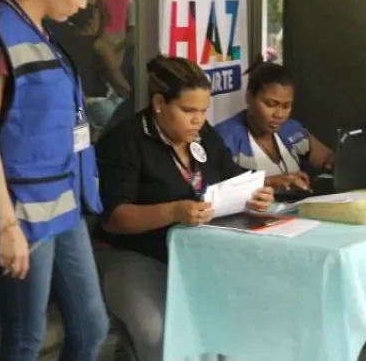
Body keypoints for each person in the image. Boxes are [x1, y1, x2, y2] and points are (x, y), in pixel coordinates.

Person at [93, 55, 274, 361]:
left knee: (230, 318)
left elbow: (230, 174)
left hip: (197, 251)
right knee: (158, 331)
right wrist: (173, 211)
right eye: (188, 110)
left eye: (203, 111)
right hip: (133, 253)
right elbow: (115, 218)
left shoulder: (203, 135)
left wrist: (255, 193)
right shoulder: (125, 141)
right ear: (160, 103)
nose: (198, 120)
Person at [0, 0, 109, 360]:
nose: (84, 5)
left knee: (92, 326)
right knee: (25, 339)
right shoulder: (6, 34)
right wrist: (7, 227)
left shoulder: (41, 33)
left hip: (64, 204)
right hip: (23, 211)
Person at [215, 59, 335, 190]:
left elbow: (327, 157)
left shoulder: (291, 129)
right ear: (249, 96)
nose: (279, 114)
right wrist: (270, 182)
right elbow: (219, 188)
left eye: (286, 106)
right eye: (271, 104)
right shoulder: (224, 138)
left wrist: (338, 163)